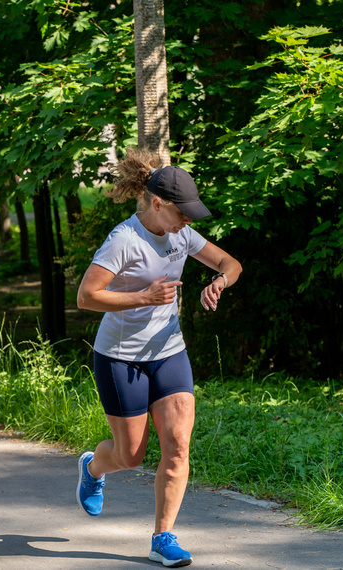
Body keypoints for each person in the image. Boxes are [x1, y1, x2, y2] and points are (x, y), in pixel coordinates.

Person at [75, 147, 242, 568]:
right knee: (130, 456)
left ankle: (162, 537)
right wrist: (142, 297)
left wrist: (220, 281)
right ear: (157, 203)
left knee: (178, 446)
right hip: (119, 357)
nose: (188, 220)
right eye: (182, 211)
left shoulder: (182, 234)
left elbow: (230, 262)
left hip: (169, 352)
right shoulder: (124, 239)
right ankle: (94, 468)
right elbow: (86, 296)